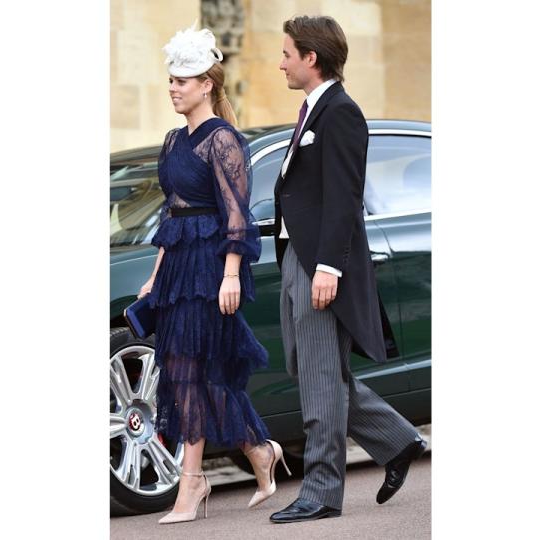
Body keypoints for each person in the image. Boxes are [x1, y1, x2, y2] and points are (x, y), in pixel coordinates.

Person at [269, 15, 427, 523]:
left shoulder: (340, 113)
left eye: (288, 53)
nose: (281, 62)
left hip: (320, 262)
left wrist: (328, 269)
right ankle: (398, 440)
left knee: (319, 377)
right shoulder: (312, 109)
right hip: (296, 256)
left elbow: (343, 199)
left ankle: (321, 491)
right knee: (309, 369)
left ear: (311, 58)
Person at [138, 25, 290, 525]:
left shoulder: (222, 139)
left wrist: (230, 275)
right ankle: (258, 451)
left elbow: (236, 215)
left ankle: (193, 482)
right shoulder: (172, 140)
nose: (173, 87)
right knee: (190, 372)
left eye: (183, 79)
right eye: (171, 79)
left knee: (194, 371)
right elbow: (171, 214)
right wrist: (155, 276)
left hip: (211, 269)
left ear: (207, 84)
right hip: (179, 268)